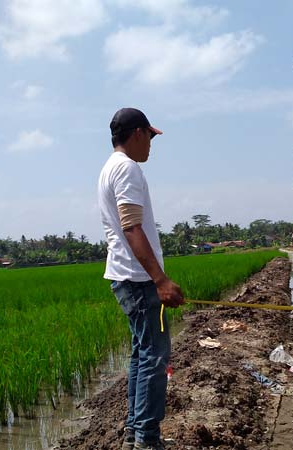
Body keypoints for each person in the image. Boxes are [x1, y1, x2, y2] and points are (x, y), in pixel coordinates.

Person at [98, 107, 185, 450]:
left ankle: (135, 434)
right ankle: (147, 440)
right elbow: (131, 226)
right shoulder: (127, 169)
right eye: (150, 136)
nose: (151, 144)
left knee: (141, 354)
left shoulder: (109, 168)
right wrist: (160, 280)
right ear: (137, 133)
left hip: (125, 278)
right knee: (153, 357)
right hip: (138, 280)